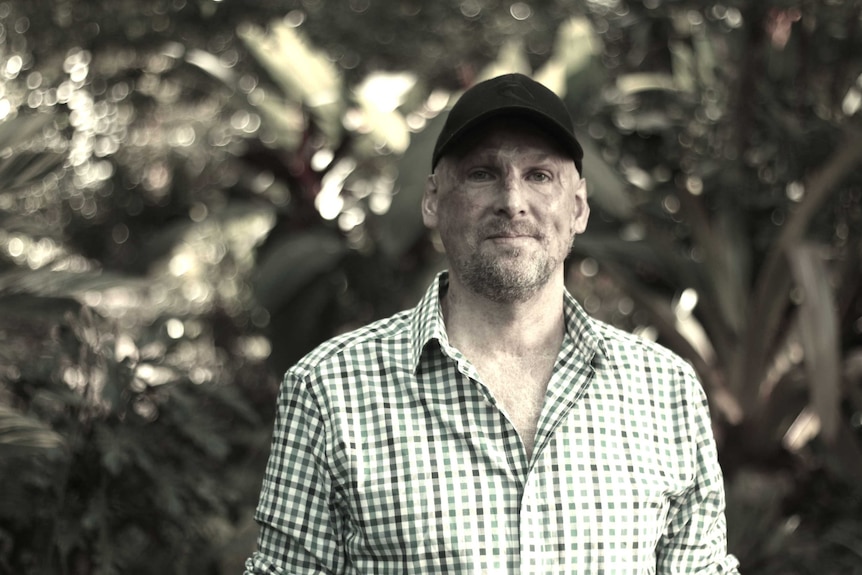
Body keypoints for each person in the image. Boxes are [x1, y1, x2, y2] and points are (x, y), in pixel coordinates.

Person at [244, 73, 740, 574]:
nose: (512, 199)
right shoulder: (329, 391)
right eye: (483, 173)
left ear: (579, 206)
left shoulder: (666, 391)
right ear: (433, 200)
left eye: (539, 175)